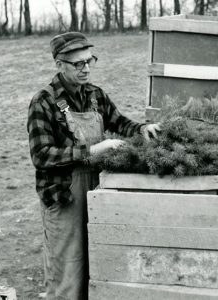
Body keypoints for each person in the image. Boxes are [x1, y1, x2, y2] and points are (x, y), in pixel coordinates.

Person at [27, 32, 160, 300]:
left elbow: (120, 123)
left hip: (96, 190)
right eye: (78, 64)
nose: (86, 68)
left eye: (90, 61)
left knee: (95, 261)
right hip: (65, 194)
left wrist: (143, 128)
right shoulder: (44, 101)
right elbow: (41, 156)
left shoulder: (96, 96)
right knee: (67, 268)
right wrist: (92, 150)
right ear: (59, 64)